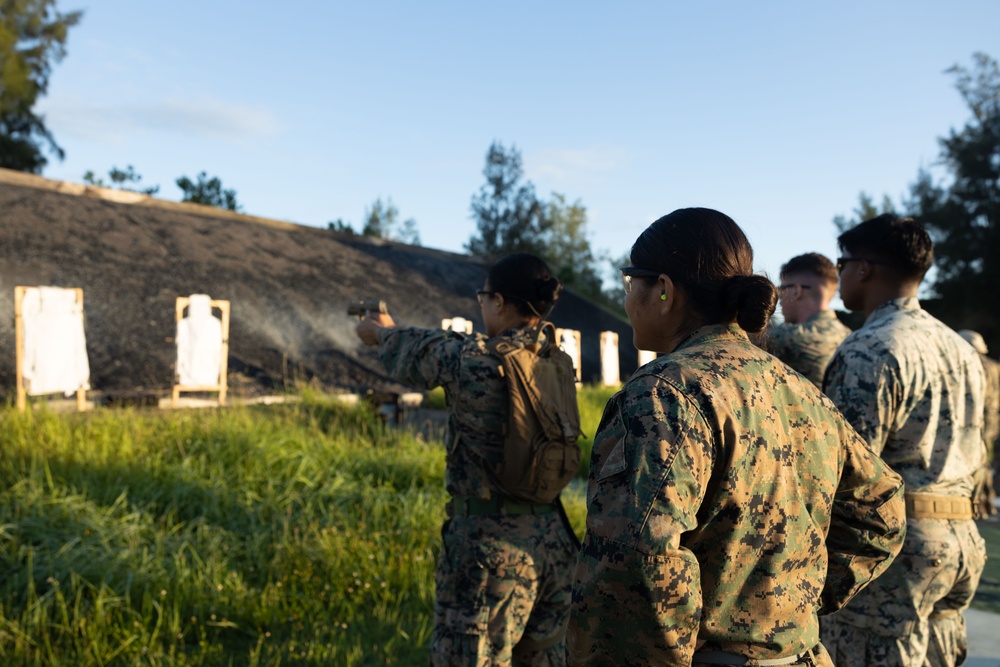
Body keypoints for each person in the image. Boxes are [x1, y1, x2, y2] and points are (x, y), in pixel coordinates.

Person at [567, 208, 906, 667]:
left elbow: (636, 561)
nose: (628, 300)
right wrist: (794, 600)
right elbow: (882, 508)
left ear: (664, 290)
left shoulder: (664, 392)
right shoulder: (800, 390)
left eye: (631, 286)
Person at [356, 252, 579, 666]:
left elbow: (419, 354)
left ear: (498, 302)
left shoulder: (475, 361)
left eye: (483, 298)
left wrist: (383, 333)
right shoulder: (557, 363)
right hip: (554, 543)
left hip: (491, 553)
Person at [819, 215, 988, 667]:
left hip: (896, 553)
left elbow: (845, 472)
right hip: (961, 544)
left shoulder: (869, 348)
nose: (840, 276)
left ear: (865, 268)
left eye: (843, 264)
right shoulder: (961, 348)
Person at [766, 253, 851, 387]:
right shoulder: (848, 336)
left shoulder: (790, 336)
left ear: (797, 291)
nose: (779, 299)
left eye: (781, 289)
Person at [959, 328, 1000, 517]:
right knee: (986, 459)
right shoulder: (994, 366)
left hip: (975, 418)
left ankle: (978, 501)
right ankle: (988, 500)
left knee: (974, 459)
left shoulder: (972, 364)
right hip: (992, 418)